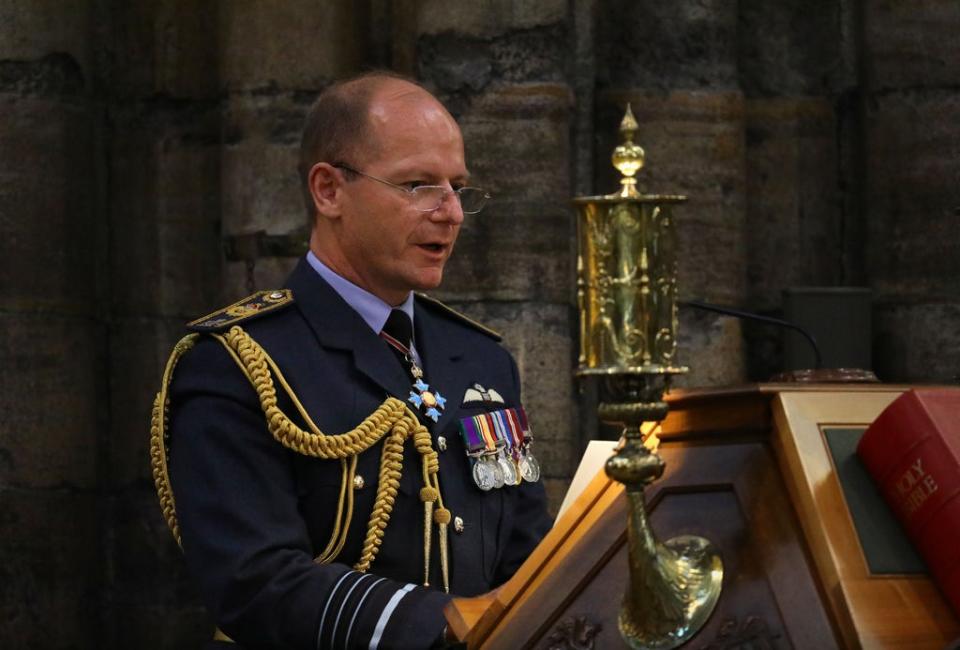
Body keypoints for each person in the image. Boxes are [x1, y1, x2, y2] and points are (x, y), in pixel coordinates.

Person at [150, 71, 553, 650]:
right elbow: (254, 582)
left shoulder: (480, 360)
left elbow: (524, 551)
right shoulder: (238, 362)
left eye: (457, 187)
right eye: (417, 185)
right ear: (329, 191)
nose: (452, 213)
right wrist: (448, 622)